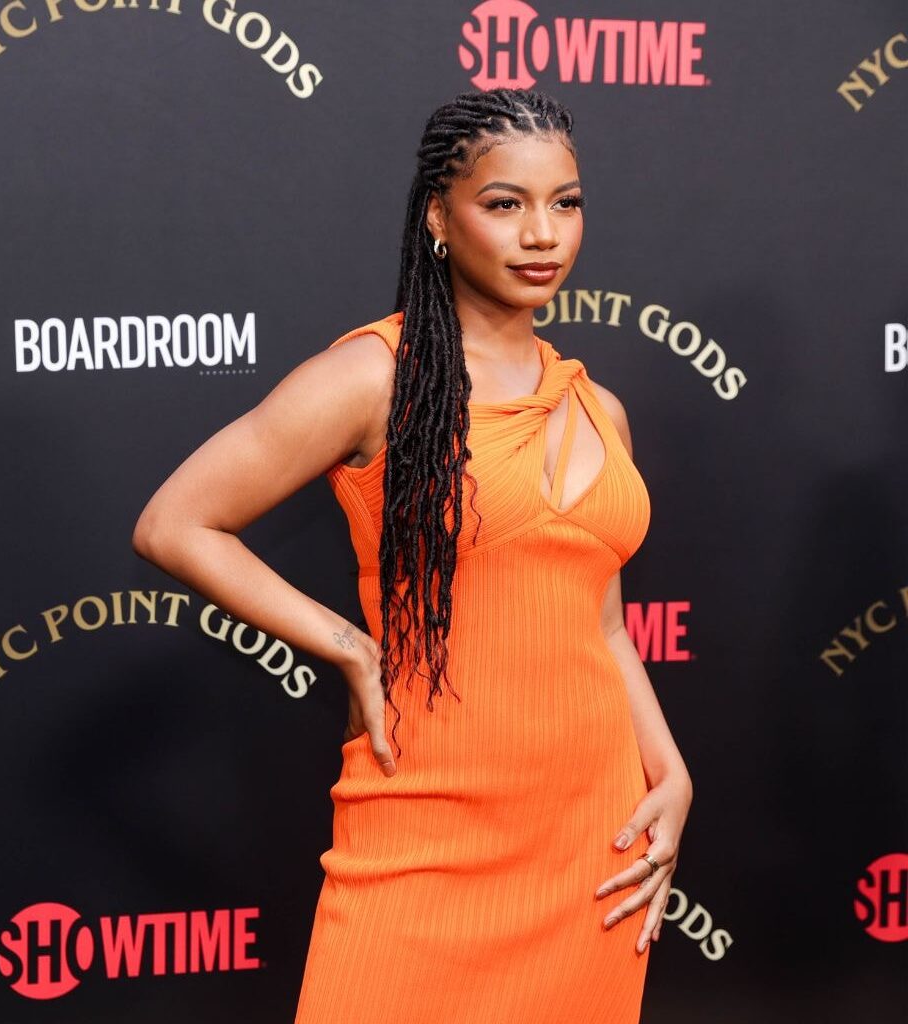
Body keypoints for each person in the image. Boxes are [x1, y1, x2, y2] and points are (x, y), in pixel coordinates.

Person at [132, 89, 692, 1022]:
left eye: (567, 202)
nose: (542, 233)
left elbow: (604, 623)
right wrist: (349, 647)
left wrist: (671, 771)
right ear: (440, 215)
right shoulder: (376, 377)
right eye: (505, 204)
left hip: (592, 837)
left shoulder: (601, 408)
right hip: (426, 828)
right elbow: (176, 522)